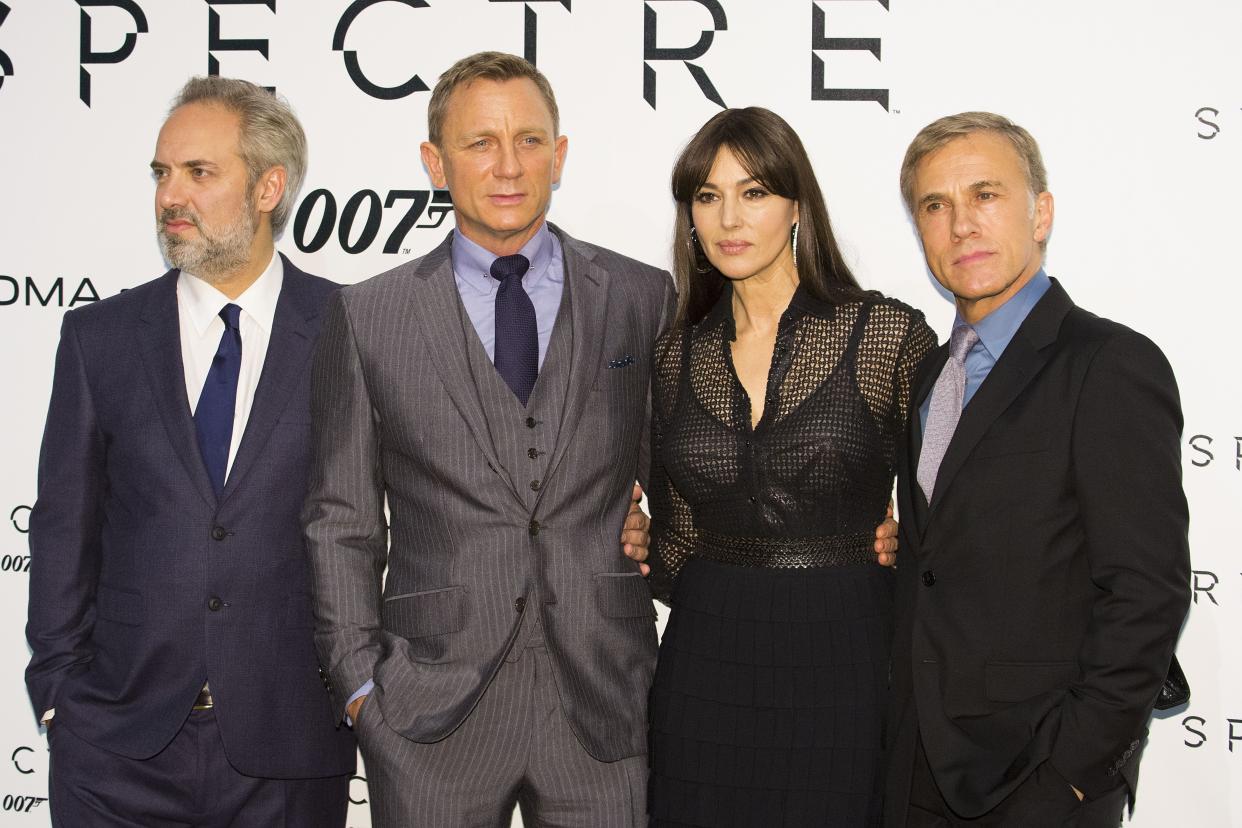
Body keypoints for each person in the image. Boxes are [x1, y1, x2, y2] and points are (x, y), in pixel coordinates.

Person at [301, 51, 668, 827]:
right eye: (479, 143)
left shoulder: (640, 295)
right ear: (435, 163)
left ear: (560, 155)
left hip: (604, 704)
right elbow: (341, 520)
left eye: (530, 140)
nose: (508, 165)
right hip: (430, 712)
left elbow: (684, 471)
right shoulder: (370, 315)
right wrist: (363, 688)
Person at [25, 76, 354, 826]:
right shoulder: (99, 339)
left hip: (290, 747)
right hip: (116, 752)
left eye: (199, 173)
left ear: (269, 186)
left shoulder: (351, 330)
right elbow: (64, 528)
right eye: (161, 173)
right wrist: (58, 696)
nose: (171, 195)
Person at [883, 112, 1191, 827]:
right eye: (935, 205)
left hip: (1037, 782)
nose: (961, 225)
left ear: (1041, 213)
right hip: (913, 772)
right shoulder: (931, 375)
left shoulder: (1109, 365)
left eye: (985, 195)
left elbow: (1147, 594)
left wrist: (1071, 777)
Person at [646, 106, 936, 827]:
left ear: (797, 205)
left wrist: (908, 547)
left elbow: (955, 505)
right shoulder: (676, 353)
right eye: (707, 197)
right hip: (705, 658)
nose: (728, 219)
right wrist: (632, 542)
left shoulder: (884, 334)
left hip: (845, 649)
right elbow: (677, 543)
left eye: (754, 193)